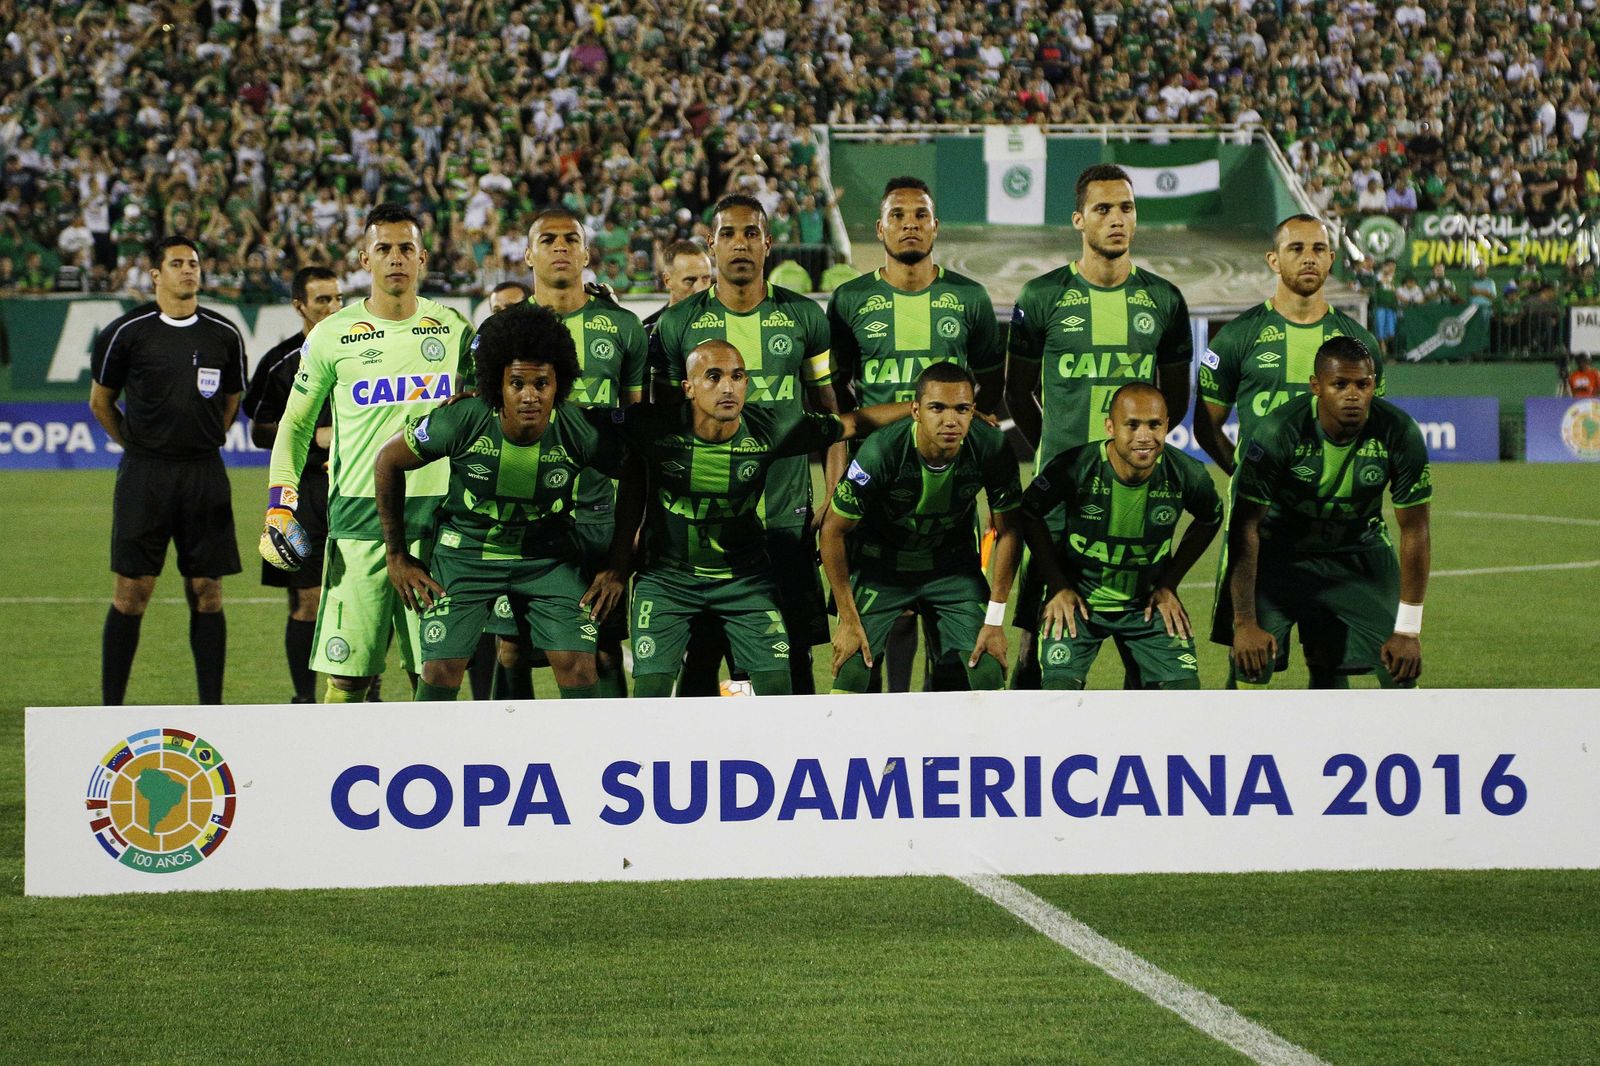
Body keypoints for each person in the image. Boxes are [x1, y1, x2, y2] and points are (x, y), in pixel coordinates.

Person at [261, 203, 474, 702]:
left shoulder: (453, 329)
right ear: (365, 259)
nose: (396, 258)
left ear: (422, 258)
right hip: (358, 523)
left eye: (406, 249)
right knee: (348, 678)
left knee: (436, 676)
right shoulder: (332, 334)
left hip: (437, 524)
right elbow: (294, 425)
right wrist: (280, 499)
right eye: (384, 249)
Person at [373, 303, 632, 701]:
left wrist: (616, 566)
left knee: (579, 667)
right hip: (466, 553)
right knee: (440, 670)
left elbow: (637, 475)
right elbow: (388, 460)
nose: (530, 396)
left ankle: (586, 760)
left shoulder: (579, 429)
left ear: (558, 383)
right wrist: (396, 555)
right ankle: (426, 758)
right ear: (497, 383)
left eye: (541, 384)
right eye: (517, 384)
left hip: (547, 556)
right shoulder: (463, 419)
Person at [620, 340, 909, 697]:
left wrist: (919, 408)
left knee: (776, 688)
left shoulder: (770, 427)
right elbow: (584, 425)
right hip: (667, 582)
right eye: (713, 377)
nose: (728, 387)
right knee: (650, 693)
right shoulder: (653, 426)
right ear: (688, 388)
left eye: (738, 376)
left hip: (745, 580)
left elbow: (850, 424)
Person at [1005, 164, 1193, 690]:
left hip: (1136, 495)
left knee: (1145, 639)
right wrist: (1058, 454)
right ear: (1078, 219)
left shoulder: (1164, 300)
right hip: (1059, 502)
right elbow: (1017, 392)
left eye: (1126, 208)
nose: (1117, 219)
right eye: (1103, 209)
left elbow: (1175, 397)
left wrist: (1138, 455)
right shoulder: (1042, 296)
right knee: (1036, 646)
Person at [651, 194, 840, 695]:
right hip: (700, 531)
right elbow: (664, 436)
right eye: (729, 234)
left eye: (751, 233)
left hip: (785, 519)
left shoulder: (804, 317)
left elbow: (831, 416)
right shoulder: (678, 325)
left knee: (791, 662)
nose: (741, 243)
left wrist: (833, 498)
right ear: (711, 244)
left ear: (767, 243)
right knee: (700, 664)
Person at [825, 176, 1006, 693]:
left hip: (947, 481)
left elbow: (988, 386)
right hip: (876, 484)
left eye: (920, 215)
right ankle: (891, 715)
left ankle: (934, 720)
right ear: (880, 228)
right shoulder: (850, 299)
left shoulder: (969, 298)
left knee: (947, 619)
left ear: (935, 226)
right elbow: (837, 405)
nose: (910, 225)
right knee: (887, 619)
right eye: (898, 216)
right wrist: (836, 480)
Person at [486, 207, 648, 700]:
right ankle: (513, 754)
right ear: (528, 253)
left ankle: (614, 756)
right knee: (510, 648)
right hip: (519, 521)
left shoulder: (623, 327)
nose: (560, 246)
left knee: (601, 645)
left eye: (570, 238)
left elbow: (638, 434)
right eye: (548, 239)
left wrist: (631, 534)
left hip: (597, 519)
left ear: (586, 251)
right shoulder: (499, 333)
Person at [1221, 337, 1432, 689]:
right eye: (1340, 384)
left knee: (1401, 666)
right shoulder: (1277, 431)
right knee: (1251, 666)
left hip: (1359, 552)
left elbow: (1416, 530)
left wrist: (1408, 628)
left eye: (1363, 384)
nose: (1353, 395)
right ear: (1316, 386)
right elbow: (1245, 526)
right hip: (1282, 555)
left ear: (1374, 385)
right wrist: (1243, 623)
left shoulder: (1399, 431)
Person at [90, 234, 247, 705]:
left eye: (194, 263)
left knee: (208, 591)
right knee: (132, 592)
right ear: (156, 275)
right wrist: (138, 445)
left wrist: (198, 440)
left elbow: (231, 401)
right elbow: (101, 402)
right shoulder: (127, 332)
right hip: (146, 476)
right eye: (176, 263)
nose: (188, 271)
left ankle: (212, 709)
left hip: (204, 473)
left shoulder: (224, 333)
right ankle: (109, 708)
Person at [821, 362, 1022, 693]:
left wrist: (995, 620)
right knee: (853, 666)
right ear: (916, 410)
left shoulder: (992, 447)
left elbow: (1011, 531)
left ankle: (978, 744)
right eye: (937, 408)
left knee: (986, 667)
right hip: (882, 567)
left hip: (951, 568)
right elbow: (833, 530)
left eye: (961, 409)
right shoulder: (882, 450)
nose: (949, 420)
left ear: (974, 411)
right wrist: (847, 619)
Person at [1019, 383, 1222, 689]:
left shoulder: (1187, 473)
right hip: (1080, 605)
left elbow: (1210, 518)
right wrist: (1058, 585)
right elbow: (1029, 512)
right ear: (1110, 427)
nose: (1144, 436)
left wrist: (1169, 583)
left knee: (1185, 696)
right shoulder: (1076, 466)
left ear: (1167, 425)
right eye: (1132, 425)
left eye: (1154, 425)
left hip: (1147, 606)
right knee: (1058, 696)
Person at [1195, 215, 1384, 473]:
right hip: (1262, 511)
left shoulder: (1360, 343)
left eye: (1318, 249)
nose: (1309, 258)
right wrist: (1247, 481)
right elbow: (1206, 429)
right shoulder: (1236, 336)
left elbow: (1374, 428)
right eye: (1296, 249)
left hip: (1333, 510)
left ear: (1330, 259)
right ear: (1274, 260)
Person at [241, 264, 343, 704]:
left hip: (352, 489)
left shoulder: (361, 353)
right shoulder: (280, 362)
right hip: (301, 494)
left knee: (364, 598)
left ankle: (366, 695)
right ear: (299, 305)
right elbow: (258, 429)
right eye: (322, 300)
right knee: (307, 599)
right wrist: (314, 437)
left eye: (338, 299)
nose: (332, 307)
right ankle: (305, 700)